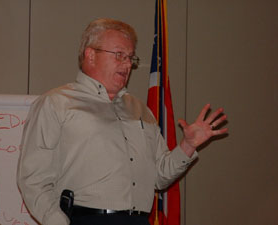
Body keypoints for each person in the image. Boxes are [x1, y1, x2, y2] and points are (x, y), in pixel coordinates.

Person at [17, 18, 228, 225]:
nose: (128, 64)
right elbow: (33, 179)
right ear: (90, 55)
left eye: (130, 58)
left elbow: (159, 177)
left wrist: (188, 146)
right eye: (119, 55)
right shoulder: (57, 103)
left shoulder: (140, 110)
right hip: (86, 219)